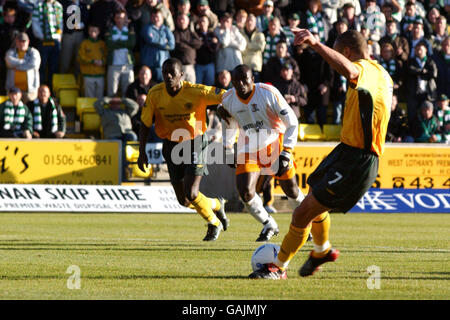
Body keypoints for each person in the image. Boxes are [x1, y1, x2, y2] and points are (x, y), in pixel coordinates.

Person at [249, 29, 392, 279]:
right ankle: (321, 250)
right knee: (313, 199)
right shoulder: (382, 74)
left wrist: (315, 44)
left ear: (346, 52)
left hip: (357, 159)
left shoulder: (366, 69)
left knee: (302, 213)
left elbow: (352, 71)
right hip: (346, 151)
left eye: (338, 54)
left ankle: (278, 267)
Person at [137, 58, 229, 241]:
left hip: (195, 141)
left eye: (172, 73)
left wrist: (223, 108)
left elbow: (228, 96)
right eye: (165, 73)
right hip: (171, 144)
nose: (168, 76)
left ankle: (214, 223)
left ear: (181, 75)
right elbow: (145, 124)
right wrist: (141, 152)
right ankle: (216, 204)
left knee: (192, 193)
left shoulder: (197, 91)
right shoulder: (155, 94)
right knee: (184, 200)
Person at [218, 64, 305, 242]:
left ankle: (306, 223)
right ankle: (269, 224)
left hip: (275, 142)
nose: (240, 84)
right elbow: (230, 124)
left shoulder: (267, 92)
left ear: (252, 79)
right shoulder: (228, 100)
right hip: (248, 147)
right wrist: (227, 148)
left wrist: (287, 151)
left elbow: (292, 121)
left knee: (291, 190)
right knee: (245, 192)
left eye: (244, 80)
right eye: (236, 81)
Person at [31, 0, 63, 90]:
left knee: (54, 67)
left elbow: (60, 23)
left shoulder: (58, 6)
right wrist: (41, 36)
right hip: (43, 41)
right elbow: (35, 23)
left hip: (55, 41)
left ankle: (52, 91)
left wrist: (59, 36)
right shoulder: (39, 5)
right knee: (42, 67)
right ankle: (41, 90)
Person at [105, 9, 136, 97]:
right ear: (114, 19)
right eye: (117, 18)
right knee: (112, 92)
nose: (119, 20)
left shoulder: (130, 30)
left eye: (122, 18)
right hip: (113, 65)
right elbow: (109, 45)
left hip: (127, 65)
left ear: (125, 19)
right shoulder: (110, 30)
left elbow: (132, 44)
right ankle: (111, 111)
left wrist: (117, 42)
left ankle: (127, 111)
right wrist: (124, 43)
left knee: (127, 92)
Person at [5, 32, 41, 104]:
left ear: (28, 42)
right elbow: (9, 62)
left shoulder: (34, 52)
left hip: (30, 91)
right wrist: (26, 63)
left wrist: (17, 67)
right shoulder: (11, 52)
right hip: (13, 91)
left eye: (24, 41)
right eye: (19, 41)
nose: (21, 43)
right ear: (16, 42)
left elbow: (34, 64)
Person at [141, 8, 175, 83]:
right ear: (150, 18)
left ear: (162, 18)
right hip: (149, 66)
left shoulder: (166, 30)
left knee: (162, 88)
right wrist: (164, 41)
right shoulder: (146, 28)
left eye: (158, 17)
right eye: (153, 17)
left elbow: (172, 45)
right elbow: (150, 40)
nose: (156, 19)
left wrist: (157, 42)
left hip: (162, 66)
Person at [78, 24, 107, 100]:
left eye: (95, 31)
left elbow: (107, 56)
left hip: (100, 75)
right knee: (89, 98)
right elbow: (80, 57)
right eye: (91, 31)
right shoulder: (84, 43)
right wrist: (92, 61)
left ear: (98, 32)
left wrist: (102, 62)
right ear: (88, 31)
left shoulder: (102, 44)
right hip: (88, 75)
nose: (93, 33)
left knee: (99, 99)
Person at [172, 13, 202, 83]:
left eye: (183, 19)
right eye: (179, 19)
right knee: (179, 90)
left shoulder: (191, 32)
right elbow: (177, 45)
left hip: (191, 66)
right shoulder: (175, 32)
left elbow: (199, 43)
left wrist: (185, 42)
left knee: (192, 89)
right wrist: (190, 46)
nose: (181, 21)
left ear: (188, 22)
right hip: (179, 68)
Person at [241, 13, 266, 82]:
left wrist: (247, 45)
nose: (250, 22)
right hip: (243, 65)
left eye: (251, 20)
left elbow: (261, 47)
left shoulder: (260, 34)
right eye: (248, 20)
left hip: (255, 66)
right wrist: (254, 46)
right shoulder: (240, 33)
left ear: (255, 23)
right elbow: (240, 46)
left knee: (255, 89)